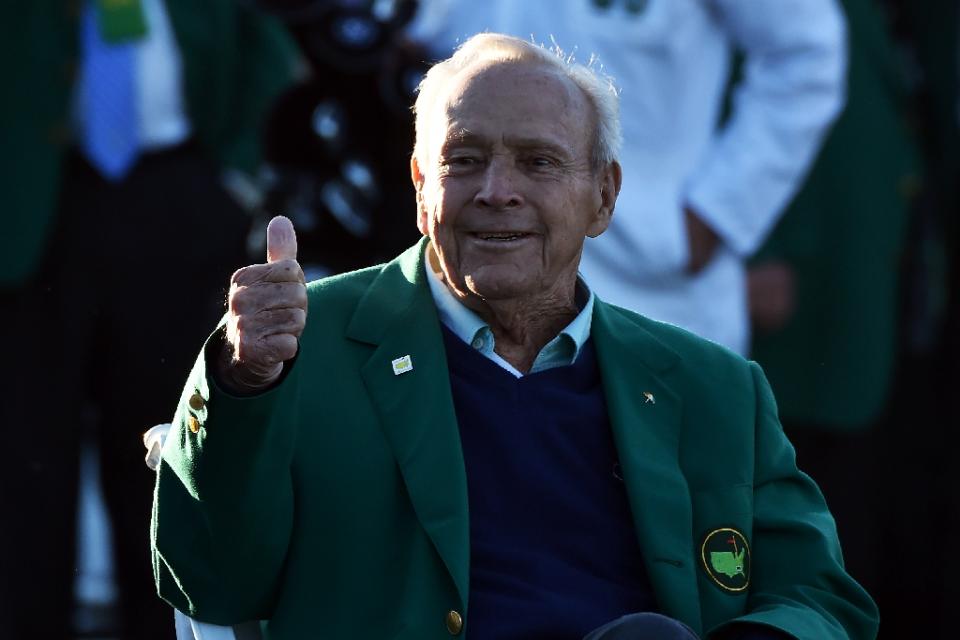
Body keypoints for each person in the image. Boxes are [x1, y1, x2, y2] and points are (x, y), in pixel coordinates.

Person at [151, 34, 877, 639]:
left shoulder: (714, 386)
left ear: (603, 196)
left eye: (538, 161)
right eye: (463, 159)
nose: (497, 189)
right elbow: (210, 584)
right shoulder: (287, 347)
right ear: (418, 186)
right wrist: (244, 385)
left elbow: (821, 599)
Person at [0, 1, 299, 637]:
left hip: (179, 199)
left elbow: (267, 49)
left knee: (162, 438)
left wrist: (237, 176)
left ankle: (159, 625)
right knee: (27, 452)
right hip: (37, 212)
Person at [403, 0, 847, 355]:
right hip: (457, 259)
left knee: (649, 457)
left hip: (647, 282)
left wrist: (717, 212)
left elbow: (806, 50)